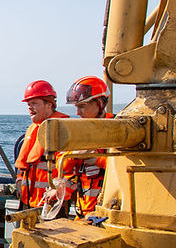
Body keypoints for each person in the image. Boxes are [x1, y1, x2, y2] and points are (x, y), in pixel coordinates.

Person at [59, 75, 113, 218]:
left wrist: (97, 160)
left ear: (100, 103)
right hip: (84, 212)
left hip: (107, 213)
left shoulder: (118, 130)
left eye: (82, 106)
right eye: (77, 107)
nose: (77, 113)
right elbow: (62, 166)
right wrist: (75, 155)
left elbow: (125, 166)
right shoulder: (80, 132)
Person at [14, 80, 69, 215]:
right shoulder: (34, 128)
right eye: (28, 104)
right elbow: (24, 164)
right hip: (28, 200)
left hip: (51, 203)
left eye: (34, 103)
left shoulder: (62, 129)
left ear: (49, 104)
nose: (30, 108)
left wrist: (59, 190)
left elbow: (71, 168)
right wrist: (20, 179)